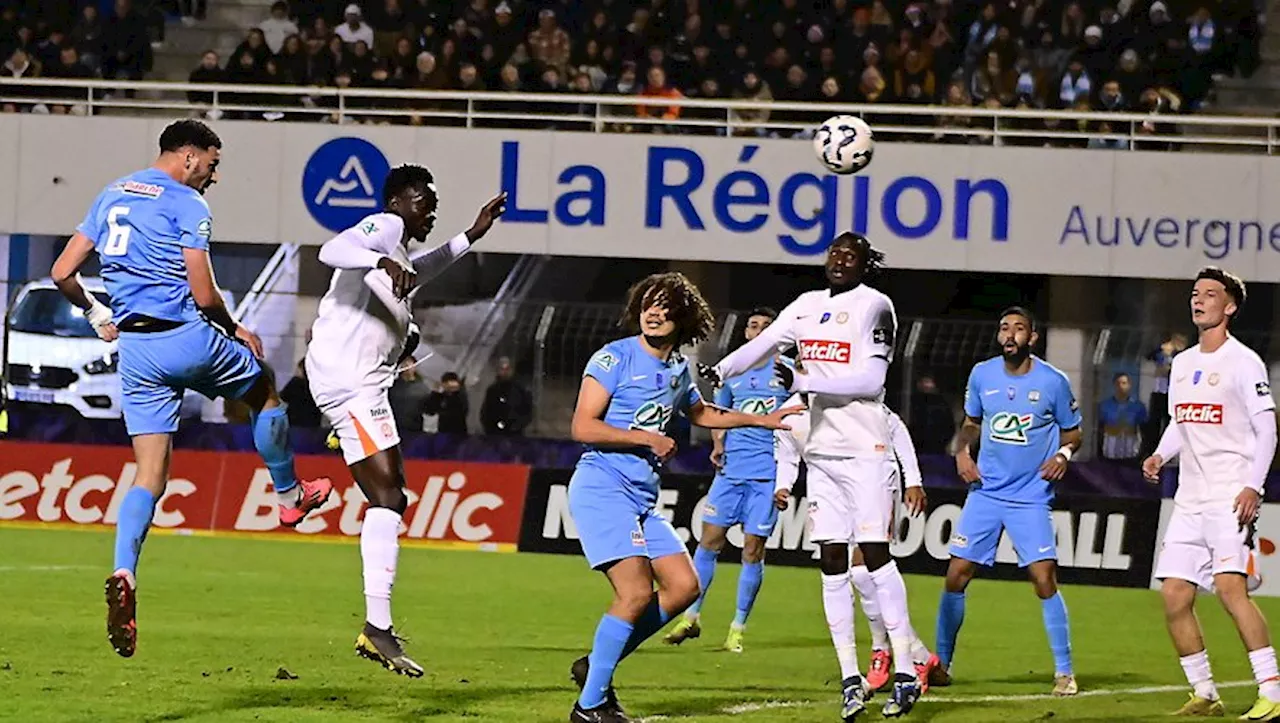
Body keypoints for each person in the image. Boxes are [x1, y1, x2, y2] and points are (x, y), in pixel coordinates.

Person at [49, 119, 332, 659]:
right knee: (264, 393)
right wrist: (237, 328)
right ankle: (290, 498)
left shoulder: (112, 192)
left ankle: (123, 570)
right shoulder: (187, 203)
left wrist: (94, 313)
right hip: (186, 336)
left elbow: (64, 270)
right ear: (186, 156)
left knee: (148, 474)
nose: (214, 175)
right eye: (212, 163)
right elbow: (202, 293)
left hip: (135, 351)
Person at [704, 232, 931, 719]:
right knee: (830, 564)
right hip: (822, 454)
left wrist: (804, 380)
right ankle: (850, 677)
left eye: (851, 255)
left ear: (866, 264)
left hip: (866, 450)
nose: (839, 260)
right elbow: (764, 344)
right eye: (834, 253)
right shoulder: (806, 304)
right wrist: (720, 371)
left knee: (873, 556)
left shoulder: (876, 306)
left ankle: (908, 671)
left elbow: (871, 381)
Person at [565, 272, 799, 723]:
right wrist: (645, 440)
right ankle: (589, 706)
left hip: (640, 499)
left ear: (682, 316)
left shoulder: (677, 368)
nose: (653, 312)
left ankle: (597, 667)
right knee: (633, 594)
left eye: (665, 306)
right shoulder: (614, 358)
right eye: (648, 303)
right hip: (602, 487)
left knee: (684, 586)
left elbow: (703, 412)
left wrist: (762, 421)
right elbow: (582, 427)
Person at [305, 162, 505, 677]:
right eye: (423, 200)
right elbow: (332, 249)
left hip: (352, 381)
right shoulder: (385, 228)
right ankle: (376, 627)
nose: (430, 209)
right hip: (353, 381)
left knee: (388, 497)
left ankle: (377, 625)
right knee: (390, 496)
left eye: (433, 202)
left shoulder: (397, 249)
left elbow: (420, 270)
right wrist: (382, 260)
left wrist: (470, 235)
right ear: (397, 201)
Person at [1143, 267, 1280, 719]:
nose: (1198, 300)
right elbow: (1181, 426)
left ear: (1230, 306)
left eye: (1210, 294)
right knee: (1174, 596)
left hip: (1228, 496)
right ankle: (1206, 693)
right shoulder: (1182, 364)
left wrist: (1253, 486)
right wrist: (1160, 456)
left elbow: (1267, 430)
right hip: (1188, 501)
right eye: (1194, 294)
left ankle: (1273, 693)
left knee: (1229, 590)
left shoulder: (1244, 363)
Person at [935, 306, 1083, 697]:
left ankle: (1064, 673)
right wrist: (963, 452)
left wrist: (1063, 457)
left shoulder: (1053, 382)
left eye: (1019, 328)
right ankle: (942, 666)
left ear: (1032, 338)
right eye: (1004, 328)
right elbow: (971, 422)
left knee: (1043, 578)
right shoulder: (982, 374)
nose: (1010, 334)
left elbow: (1074, 434)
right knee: (956, 575)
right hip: (986, 492)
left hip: (1029, 497)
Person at [774, 386, 942, 696]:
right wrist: (782, 486)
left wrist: (913, 480)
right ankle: (917, 654)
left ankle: (884, 651)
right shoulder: (789, 413)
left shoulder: (850, 396)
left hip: (874, 473)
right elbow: (786, 454)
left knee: (865, 569)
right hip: (827, 484)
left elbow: (896, 429)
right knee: (840, 567)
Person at [663, 307, 790, 653]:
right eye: (754, 325)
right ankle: (691, 617)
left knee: (752, 549)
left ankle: (737, 627)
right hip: (731, 470)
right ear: (746, 333)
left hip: (767, 474)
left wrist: (789, 476)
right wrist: (718, 445)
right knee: (709, 541)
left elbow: (801, 422)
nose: (759, 330)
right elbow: (718, 414)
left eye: (767, 326)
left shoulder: (790, 373)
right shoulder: (733, 370)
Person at [1098, 372, 1147, 463]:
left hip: (1131, 453)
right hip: (1110, 453)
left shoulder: (1138, 406)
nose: (1121, 386)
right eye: (1118, 383)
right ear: (1114, 385)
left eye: (1124, 383)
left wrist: (1142, 454)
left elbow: (1144, 431)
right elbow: (1100, 430)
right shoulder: (1105, 405)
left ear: (1129, 385)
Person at [480, 356, 532, 435]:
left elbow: (528, 411)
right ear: (497, 371)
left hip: (515, 435)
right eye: (502, 369)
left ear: (512, 370)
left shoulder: (520, 390)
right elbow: (485, 412)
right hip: (495, 435)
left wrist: (517, 426)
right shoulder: (492, 390)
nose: (505, 372)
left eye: (507, 369)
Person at [389, 355, 431, 434]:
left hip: (414, 429)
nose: (407, 366)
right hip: (394, 428)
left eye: (410, 363)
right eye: (404, 363)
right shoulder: (392, 385)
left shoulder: (423, 387)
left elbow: (429, 409)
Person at [425, 371, 469, 435]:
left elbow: (461, 412)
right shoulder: (442, 396)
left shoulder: (461, 395)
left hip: (458, 432)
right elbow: (430, 410)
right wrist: (435, 393)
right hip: (443, 432)